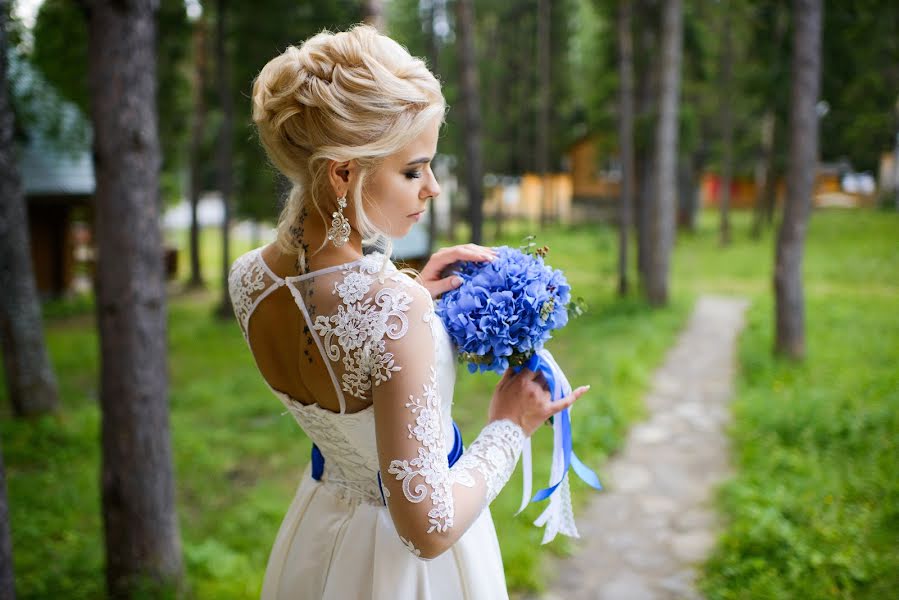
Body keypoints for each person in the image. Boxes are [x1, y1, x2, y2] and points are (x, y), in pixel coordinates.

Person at [228, 24, 590, 600]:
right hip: (408, 575)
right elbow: (428, 528)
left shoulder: (250, 278)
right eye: (413, 170)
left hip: (317, 540)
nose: (433, 189)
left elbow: (337, 363)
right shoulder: (397, 313)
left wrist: (408, 289)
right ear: (343, 172)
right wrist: (510, 427)